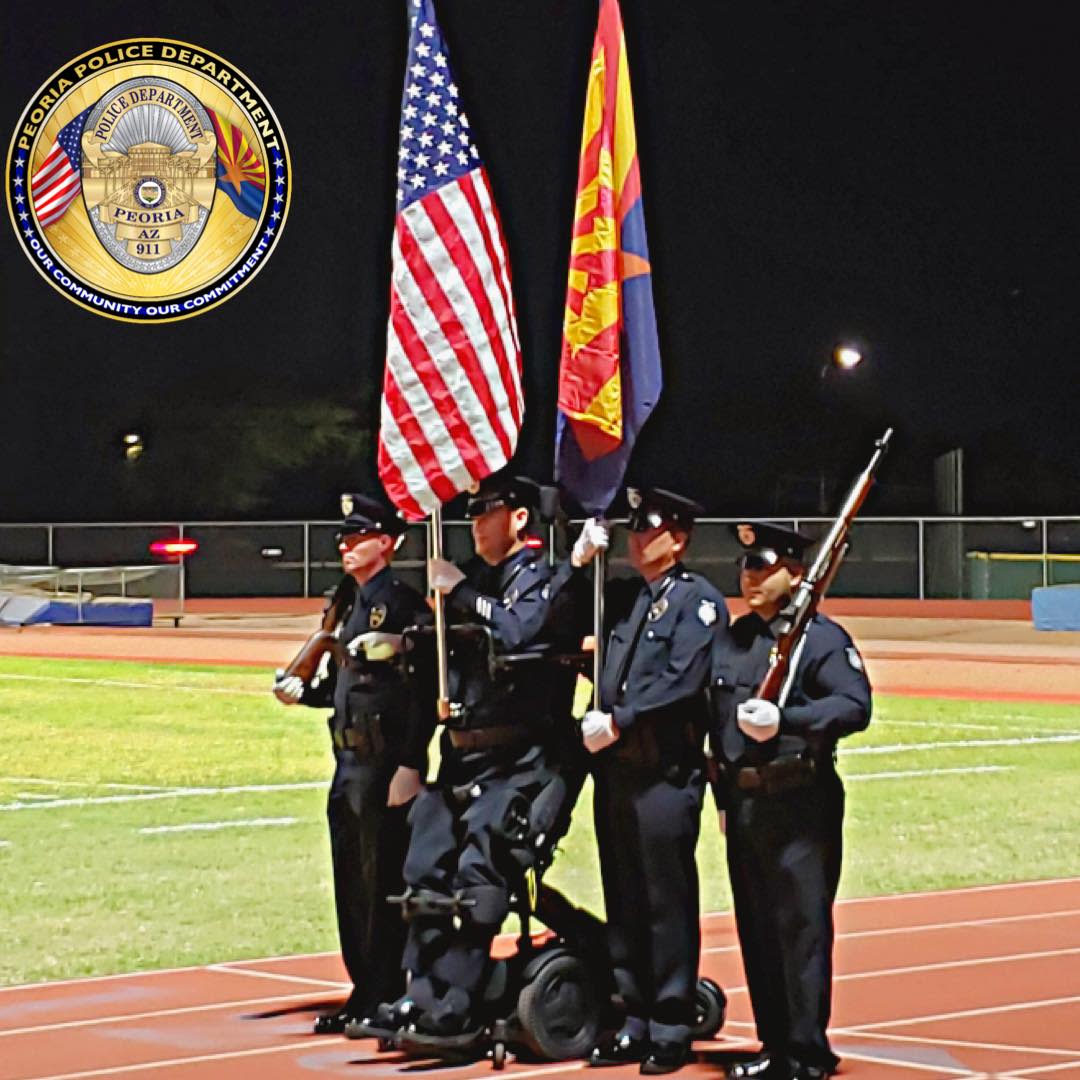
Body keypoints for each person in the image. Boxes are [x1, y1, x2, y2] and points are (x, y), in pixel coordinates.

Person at [350, 472, 582, 1049]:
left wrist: (459, 594)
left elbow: (519, 631)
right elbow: (437, 658)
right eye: (473, 513)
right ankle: (422, 994)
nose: (476, 523)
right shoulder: (470, 582)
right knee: (424, 868)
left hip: (521, 762)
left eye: (488, 513)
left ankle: (455, 1005)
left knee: (479, 874)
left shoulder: (543, 581)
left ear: (520, 519)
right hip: (463, 761)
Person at [569, 487, 729, 1075]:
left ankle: (669, 1023)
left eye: (648, 530)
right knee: (625, 898)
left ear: (678, 539)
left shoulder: (698, 603)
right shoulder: (629, 600)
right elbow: (576, 623)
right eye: (634, 530)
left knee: (665, 903)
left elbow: (684, 681)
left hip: (664, 771)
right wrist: (580, 560)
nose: (637, 540)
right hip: (617, 771)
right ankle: (633, 1015)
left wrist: (620, 719)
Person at [710, 522, 872, 1080]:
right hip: (749, 804)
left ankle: (807, 1052)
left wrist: (789, 719)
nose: (750, 576)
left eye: (763, 566)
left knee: (800, 929)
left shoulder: (821, 640)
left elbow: (855, 707)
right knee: (756, 929)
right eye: (746, 566)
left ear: (796, 573)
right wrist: (724, 799)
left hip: (801, 802)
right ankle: (774, 1045)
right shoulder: (736, 640)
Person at [273, 493, 434, 1034]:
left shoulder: (403, 604)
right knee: (352, 883)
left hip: (384, 763)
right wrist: (307, 692)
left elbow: (422, 689)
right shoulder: (347, 602)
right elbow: (348, 684)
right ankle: (365, 987)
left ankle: (387, 989)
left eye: (358, 536)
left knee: (382, 880)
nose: (346, 545)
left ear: (386, 543)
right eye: (344, 537)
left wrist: (411, 762)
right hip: (347, 758)